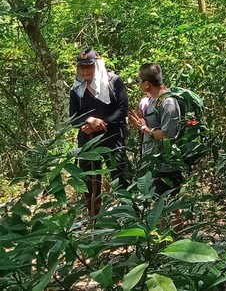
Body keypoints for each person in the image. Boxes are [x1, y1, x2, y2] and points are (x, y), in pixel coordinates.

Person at [69, 48, 131, 218]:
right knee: (89, 179)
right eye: (82, 67)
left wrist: (101, 123)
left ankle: (128, 216)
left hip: (112, 135)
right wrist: (89, 120)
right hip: (88, 138)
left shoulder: (113, 81)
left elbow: (122, 109)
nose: (86, 70)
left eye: (89, 66)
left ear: (97, 65)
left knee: (120, 174)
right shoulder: (76, 89)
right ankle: (94, 219)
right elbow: (73, 118)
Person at [129, 63, 183, 197]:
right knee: (160, 205)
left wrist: (145, 128)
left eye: (138, 80)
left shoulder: (168, 103)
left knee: (168, 205)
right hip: (153, 163)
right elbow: (152, 126)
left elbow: (168, 134)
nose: (138, 83)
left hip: (166, 165)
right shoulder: (153, 100)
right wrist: (140, 126)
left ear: (147, 84)